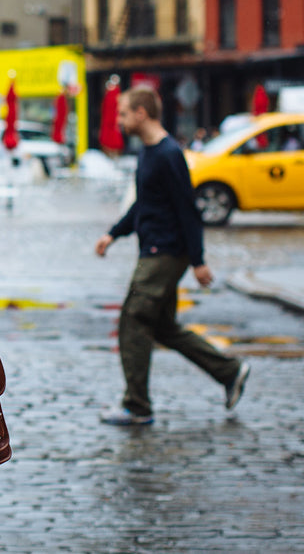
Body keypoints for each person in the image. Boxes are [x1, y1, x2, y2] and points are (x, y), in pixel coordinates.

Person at [94, 86, 250, 426]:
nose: (118, 121)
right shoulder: (148, 153)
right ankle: (230, 371)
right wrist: (113, 233)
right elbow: (143, 205)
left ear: (141, 114)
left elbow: (187, 209)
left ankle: (136, 406)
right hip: (154, 249)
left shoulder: (168, 154)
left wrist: (198, 260)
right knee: (162, 327)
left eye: (122, 114)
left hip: (164, 253)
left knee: (133, 319)